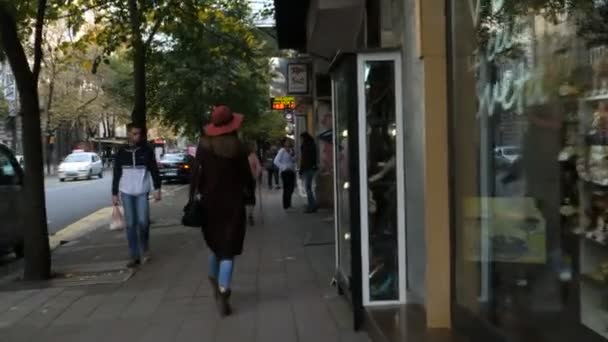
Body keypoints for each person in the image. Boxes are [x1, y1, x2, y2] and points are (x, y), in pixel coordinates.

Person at [194, 105, 254, 317]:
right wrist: (250, 196)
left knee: (215, 245)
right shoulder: (238, 148)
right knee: (229, 248)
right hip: (233, 203)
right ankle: (223, 290)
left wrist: (196, 195)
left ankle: (213, 277)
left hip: (210, 203)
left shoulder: (203, 146)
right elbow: (247, 177)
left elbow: (197, 175)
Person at [111, 123, 161, 268]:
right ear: (128, 134)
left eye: (139, 133)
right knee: (131, 224)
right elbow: (116, 173)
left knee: (143, 222)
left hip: (142, 191)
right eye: (134, 133)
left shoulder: (147, 151)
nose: (137, 136)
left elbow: (154, 170)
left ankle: (145, 249)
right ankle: (134, 255)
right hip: (126, 192)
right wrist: (114, 193)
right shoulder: (121, 152)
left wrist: (157, 188)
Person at [274, 138, 296, 210]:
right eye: (287, 142)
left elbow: (291, 160)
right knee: (287, 189)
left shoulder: (290, 150)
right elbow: (276, 161)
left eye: (289, 142)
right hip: (285, 172)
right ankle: (286, 205)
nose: (288, 143)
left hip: (291, 171)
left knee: (291, 188)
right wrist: (283, 167)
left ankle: (289, 204)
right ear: (283, 143)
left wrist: (294, 158)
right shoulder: (282, 151)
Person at [299, 132, 318, 213]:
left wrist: (301, 170)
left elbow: (304, 159)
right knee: (309, 187)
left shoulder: (305, 146)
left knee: (308, 188)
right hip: (312, 168)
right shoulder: (312, 144)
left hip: (307, 168)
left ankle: (312, 205)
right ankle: (312, 204)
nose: (301, 140)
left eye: (302, 138)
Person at [247, 142, 263, 225]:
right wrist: (256, 176)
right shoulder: (253, 156)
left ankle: (243, 215)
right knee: (251, 197)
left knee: (242, 197)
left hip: (241, 180)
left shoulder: (241, 156)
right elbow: (259, 168)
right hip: (251, 179)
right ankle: (250, 214)